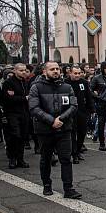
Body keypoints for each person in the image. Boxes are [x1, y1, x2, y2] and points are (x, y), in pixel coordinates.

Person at [28, 61, 81, 198]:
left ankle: (68, 188)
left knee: (66, 159)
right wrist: (52, 121)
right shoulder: (36, 87)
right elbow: (34, 108)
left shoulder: (67, 87)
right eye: (52, 69)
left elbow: (74, 105)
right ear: (45, 72)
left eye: (57, 69)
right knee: (46, 158)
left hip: (64, 129)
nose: (56, 71)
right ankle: (47, 185)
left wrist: (61, 119)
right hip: (45, 130)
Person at [0, 63, 31, 169]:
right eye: (21, 71)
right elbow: (8, 99)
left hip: (24, 113)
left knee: (23, 136)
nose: (23, 72)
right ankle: (12, 158)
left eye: (25, 70)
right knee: (14, 136)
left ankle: (20, 159)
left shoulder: (25, 82)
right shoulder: (8, 83)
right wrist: (24, 98)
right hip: (12, 113)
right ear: (15, 71)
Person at [66, 65, 94, 164]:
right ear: (70, 73)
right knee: (72, 134)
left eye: (79, 73)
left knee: (82, 133)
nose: (77, 75)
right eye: (75, 73)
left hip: (82, 111)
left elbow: (89, 96)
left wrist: (91, 110)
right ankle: (73, 153)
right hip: (70, 112)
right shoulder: (65, 83)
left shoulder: (84, 83)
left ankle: (78, 150)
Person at [90, 61, 106, 150]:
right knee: (101, 124)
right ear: (102, 68)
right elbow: (90, 90)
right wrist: (97, 97)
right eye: (105, 68)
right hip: (101, 104)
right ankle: (102, 143)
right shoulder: (97, 78)